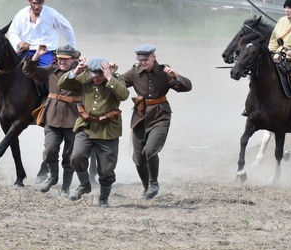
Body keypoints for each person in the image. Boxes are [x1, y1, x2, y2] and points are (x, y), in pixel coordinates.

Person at [0, 0, 76, 112]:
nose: (37, 6)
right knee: (0, 69)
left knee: (48, 74)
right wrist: (19, 43)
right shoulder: (21, 14)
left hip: (45, 53)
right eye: (34, 3)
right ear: (29, 1)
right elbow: (13, 31)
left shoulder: (52, 14)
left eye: (40, 3)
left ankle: (49, 103)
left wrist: (72, 50)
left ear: (43, 2)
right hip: (23, 51)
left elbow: (67, 29)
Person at [120, 44, 192, 199]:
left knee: (150, 151)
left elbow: (186, 87)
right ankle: (147, 188)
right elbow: (118, 85)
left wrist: (176, 75)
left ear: (154, 57)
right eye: (140, 60)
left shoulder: (164, 72)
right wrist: (109, 75)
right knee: (138, 158)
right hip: (140, 117)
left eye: (145, 59)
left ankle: (153, 183)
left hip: (160, 116)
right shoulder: (134, 72)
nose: (142, 63)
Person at [58, 57, 129, 207]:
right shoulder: (85, 77)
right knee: (76, 156)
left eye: (99, 76)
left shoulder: (115, 79)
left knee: (107, 168)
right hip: (86, 126)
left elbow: (124, 95)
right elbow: (62, 84)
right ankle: (84, 184)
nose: (96, 79)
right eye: (93, 76)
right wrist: (77, 70)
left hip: (107, 129)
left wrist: (110, 77)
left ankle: (103, 198)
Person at [23, 44, 82, 196]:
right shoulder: (50, 70)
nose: (62, 62)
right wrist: (36, 56)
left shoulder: (81, 72)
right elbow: (28, 70)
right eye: (60, 59)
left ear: (72, 59)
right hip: (52, 118)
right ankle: (53, 177)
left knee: (69, 156)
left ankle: (66, 187)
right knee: (49, 150)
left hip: (73, 118)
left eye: (65, 59)